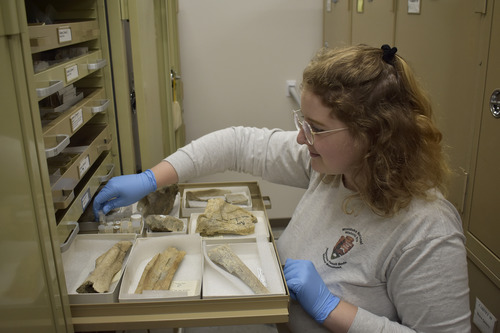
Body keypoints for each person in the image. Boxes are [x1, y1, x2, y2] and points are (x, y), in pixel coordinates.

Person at [93, 44, 471, 332]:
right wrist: (151, 179)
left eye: (317, 128)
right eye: (302, 123)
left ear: (374, 133)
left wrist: (334, 310)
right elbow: (237, 143)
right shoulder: (331, 169)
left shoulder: (427, 230)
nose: (302, 139)